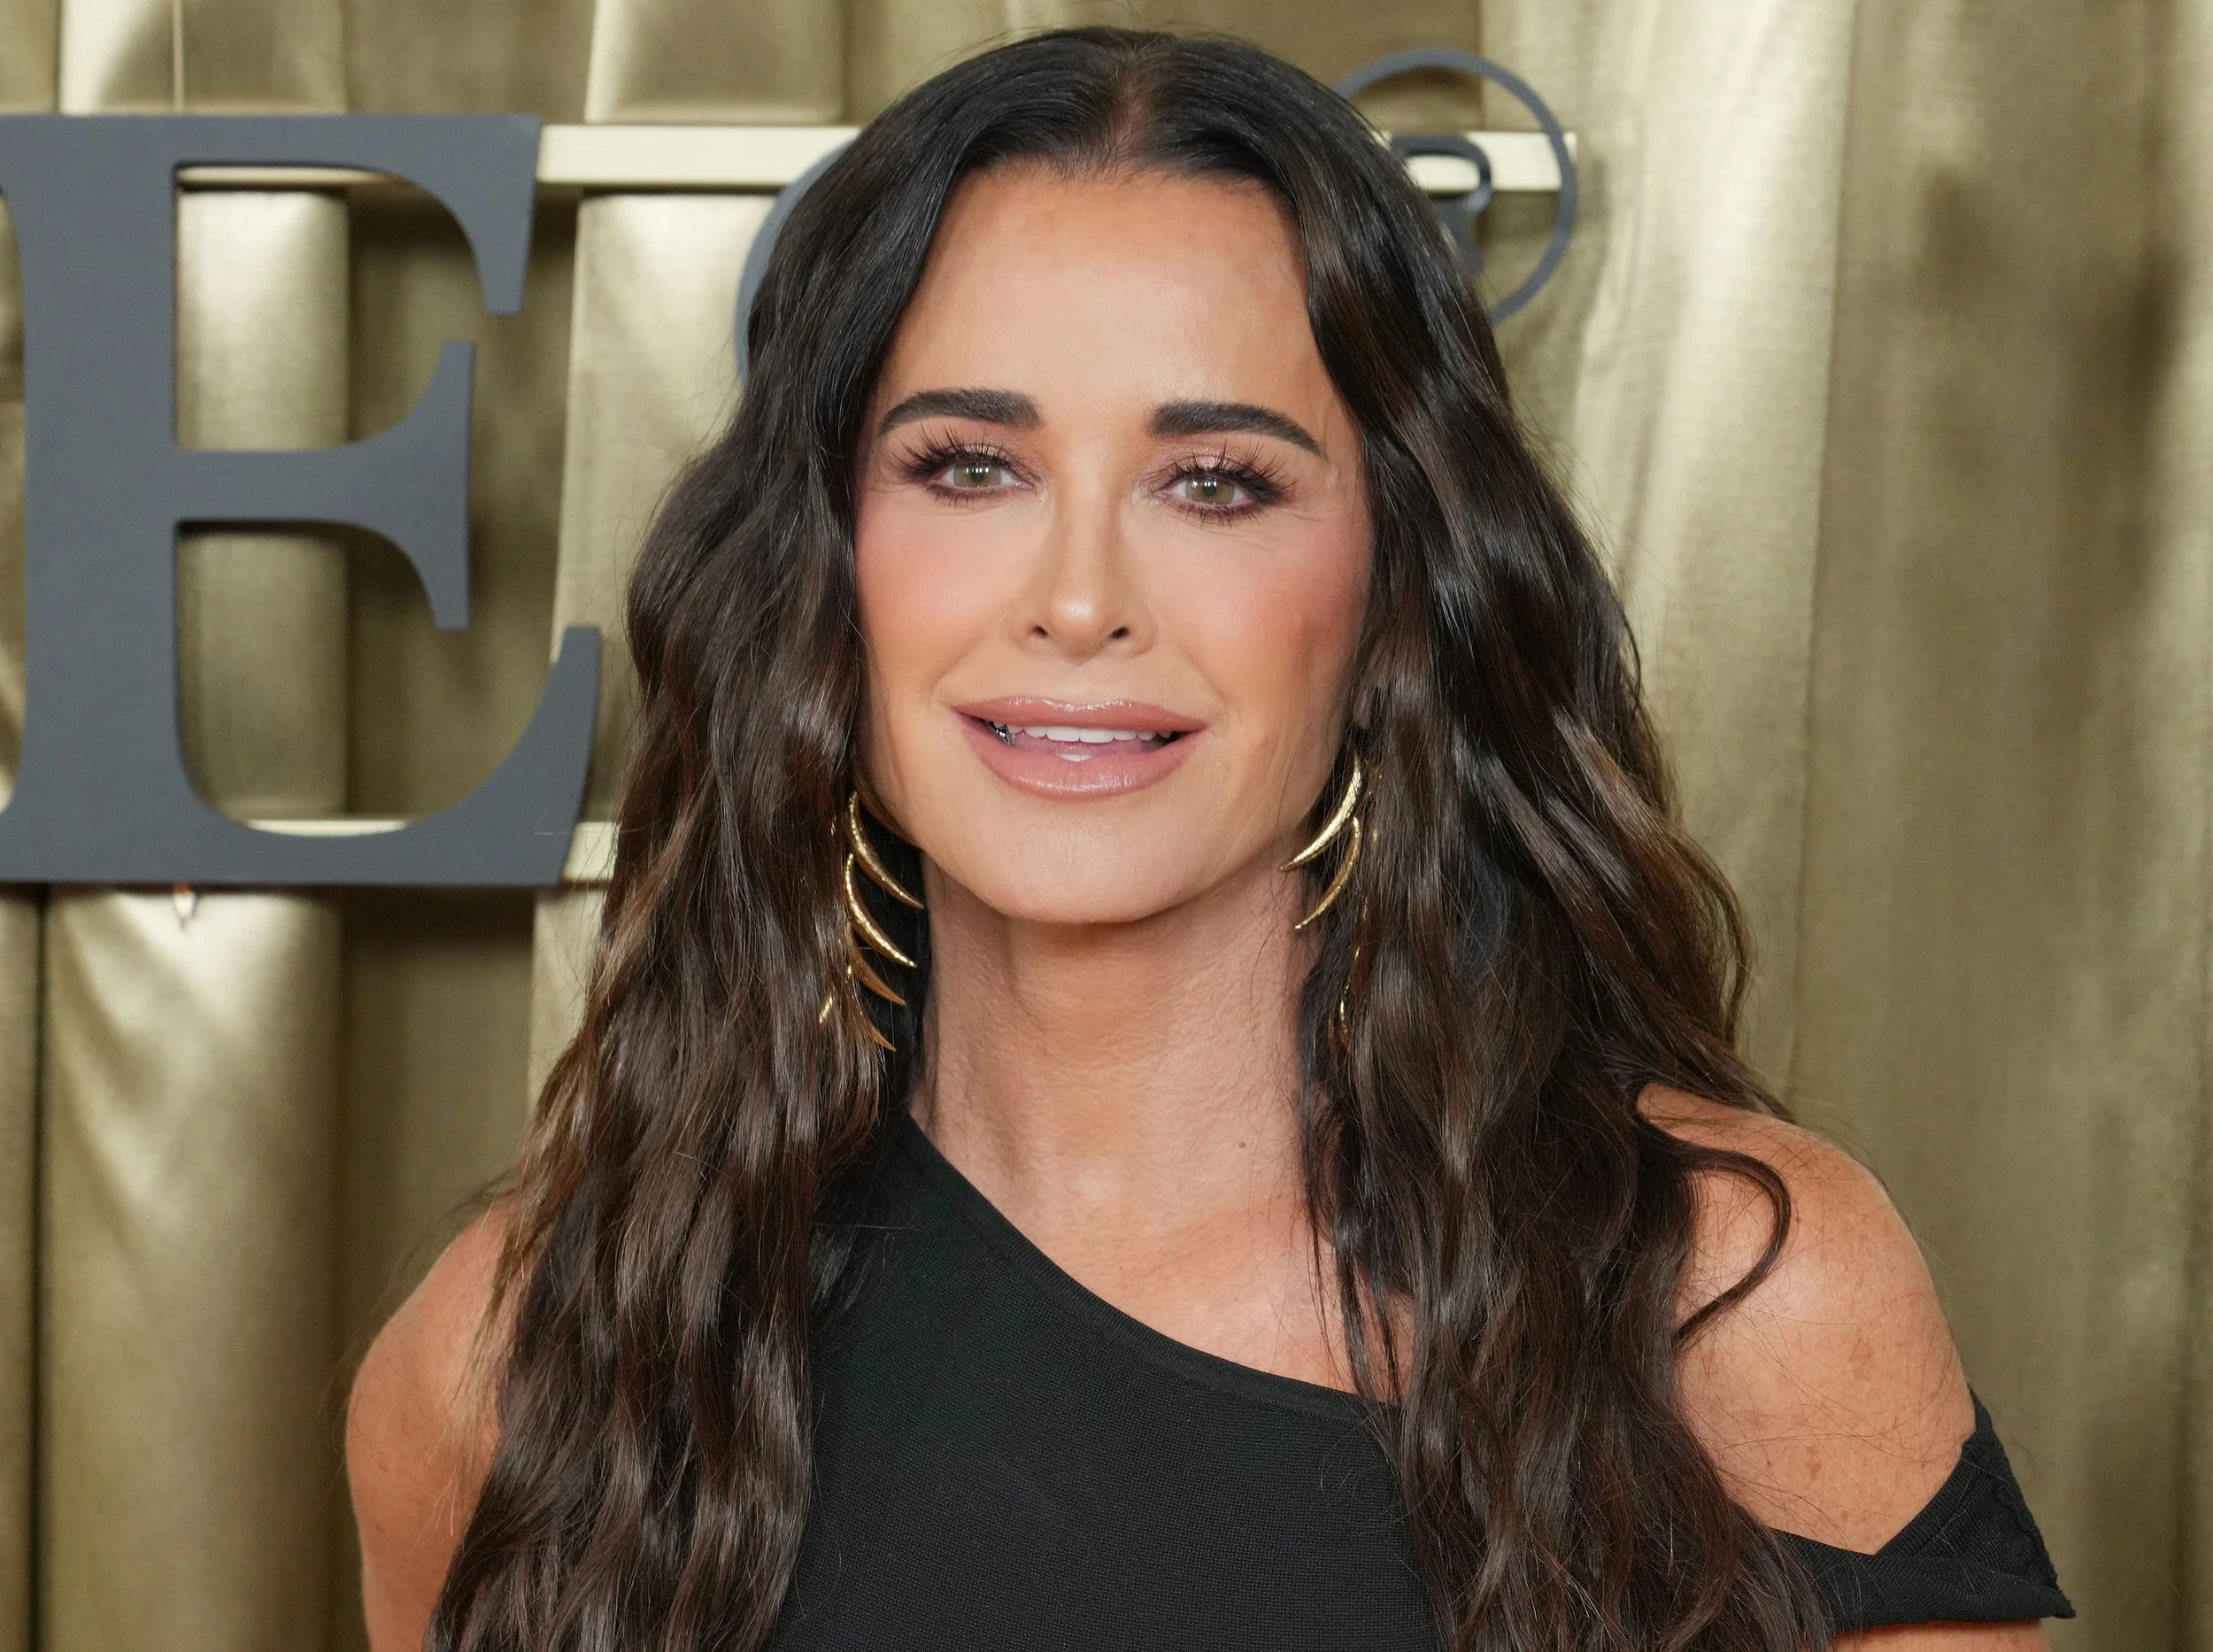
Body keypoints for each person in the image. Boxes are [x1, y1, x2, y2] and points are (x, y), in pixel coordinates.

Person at [346, 27, 2072, 1652]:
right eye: (968, 466)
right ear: (818, 564)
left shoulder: (1723, 1306)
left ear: (1398, 593)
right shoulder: (520, 1363)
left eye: (1216, 482)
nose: (1078, 598)